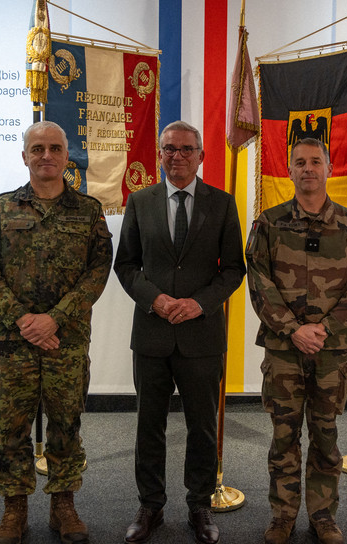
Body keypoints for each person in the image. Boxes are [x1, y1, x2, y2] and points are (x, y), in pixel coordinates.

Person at [0, 120, 113, 544]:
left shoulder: (88, 211)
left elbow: (98, 271)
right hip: (12, 342)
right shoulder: (1, 209)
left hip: (65, 342)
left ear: (66, 157)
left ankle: (63, 505)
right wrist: (22, 318)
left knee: (66, 424)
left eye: (54, 148)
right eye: (37, 149)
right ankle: (14, 509)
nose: (46, 155)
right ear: (25, 156)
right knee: (10, 428)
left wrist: (56, 317)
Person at [114, 120, 246, 544]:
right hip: (152, 333)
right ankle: (150, 505)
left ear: (201, 156)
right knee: (148, 425)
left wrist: (199, 303)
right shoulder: (140, 201)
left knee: (202, 426)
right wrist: (155, 299)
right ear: (160, 154)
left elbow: (234, 270)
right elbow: (127, 265)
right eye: (169, 148)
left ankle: (200, 506)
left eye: (187, 149)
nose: (177, 156)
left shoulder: (223, 204)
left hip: (201, 335)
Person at [245, 138, 347, 544]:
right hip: (283, 351)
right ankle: (282, 516)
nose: (307, 169)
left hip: (330, 352)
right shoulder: (269, 223)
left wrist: (323, 330)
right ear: (289, 170)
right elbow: (259, 282)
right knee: (283, 436)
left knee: (325, 435)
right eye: (299, 162)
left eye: (315, 161)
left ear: (329, 168)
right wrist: (292, 329)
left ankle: (323, 516)